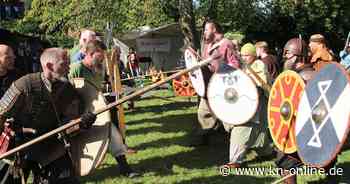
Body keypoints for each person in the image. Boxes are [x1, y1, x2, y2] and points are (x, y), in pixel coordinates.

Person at [0, 48, 96, 183]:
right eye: (64, 64)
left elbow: (67, 125)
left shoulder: (67, 90)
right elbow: (0, 114)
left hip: (50, 144)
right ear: (49, 66)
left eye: (69, 63)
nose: (69, 68)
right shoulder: (25, 84)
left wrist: (81, 123)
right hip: (18, 146)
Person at [68, 40, 139, 177]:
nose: (102, 59)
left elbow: (97, 93)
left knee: (114, 136)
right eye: (99, 56)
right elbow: (71, 92)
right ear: (90, 53)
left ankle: (125, 169)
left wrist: (111, 97)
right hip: (80, 115)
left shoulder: (98, 70)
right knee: (76, 145)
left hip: (98, 112)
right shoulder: (76, 68)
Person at [276, 38, 339, 184]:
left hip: (311, 131)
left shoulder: (305, 76)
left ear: (299, 56)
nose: (285, 58)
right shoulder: (310, 75)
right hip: (317, 133)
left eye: (288, 54)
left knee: (285, 158)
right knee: (327, 164)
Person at [222, 43, 273, 168]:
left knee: (240, 129)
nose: (244, 58)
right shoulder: (245, 66)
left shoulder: (259, 65)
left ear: (253, 55)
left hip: (257, 103)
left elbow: (262, 82)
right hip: (247, 102)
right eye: (242, 55)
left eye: (247, 55)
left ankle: (235, 161)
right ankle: (266, 152)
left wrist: (246, 78)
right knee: (259, 130)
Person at [191, 20, 240, 146]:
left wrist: (220, 73)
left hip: (222, 86)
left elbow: (235, 65)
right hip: (208, 86)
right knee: (203, 113)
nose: (204, 32)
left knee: (227, 117)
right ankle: (203, 138)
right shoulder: (208, 45)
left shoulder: (226, 44)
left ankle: (239, 141)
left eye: (207, 29)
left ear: (214, 29)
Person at [0, 44, 24, 183]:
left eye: (13, 55)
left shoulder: (17, 77)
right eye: (8, 57)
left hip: (13, 131)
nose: (14, 58)